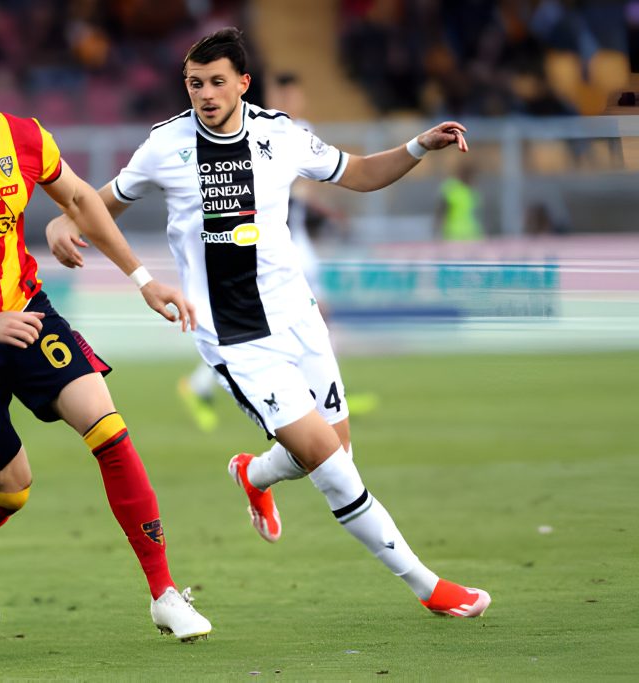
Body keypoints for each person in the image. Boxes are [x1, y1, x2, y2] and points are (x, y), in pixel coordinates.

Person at [47, 27, 490, 618]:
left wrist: (417, 146)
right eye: (195, 83)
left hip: (299, 319)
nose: (205, 94)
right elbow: (98, 204)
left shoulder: (281, 135)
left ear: (243, 83)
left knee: (336, 451)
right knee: (333, 469)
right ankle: (428, 586)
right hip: (237, 339)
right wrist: (65, 220)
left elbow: (358, 172)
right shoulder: (165, 146)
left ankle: (253, 474)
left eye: (216, 82)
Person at [0, 39, 211, 641]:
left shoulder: (26, 138)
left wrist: (142, 279)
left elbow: (80, 199)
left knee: (109, 430)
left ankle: (164, 593)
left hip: (27, 313)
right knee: (12, 488)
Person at [176, 72, 376, 432]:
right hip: (278, 241)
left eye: (294, 96)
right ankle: (322, 397)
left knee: (310, 316)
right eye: (285, 95)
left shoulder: (298, 130)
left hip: (296, 235)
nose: (291, 102)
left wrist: (323, 210)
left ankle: (326, 395)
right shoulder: (258, 130)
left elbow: (310, 184)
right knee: (291, 318)